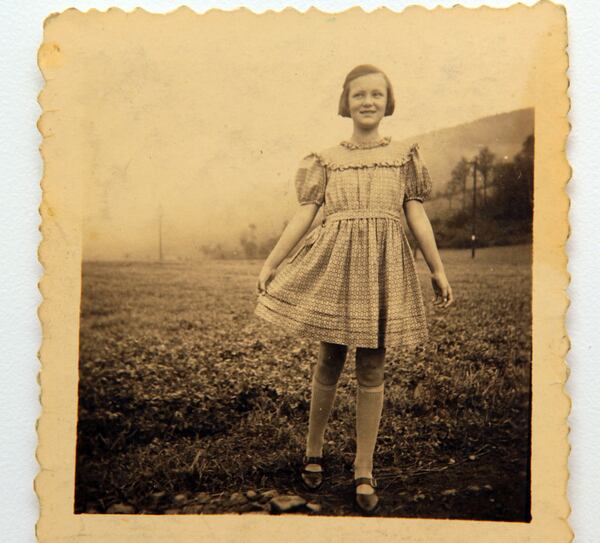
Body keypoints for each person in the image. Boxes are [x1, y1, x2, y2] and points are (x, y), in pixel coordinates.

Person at [254, 64, 454, 515]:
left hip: (384, 268)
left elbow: (416, 215)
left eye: (377, 95)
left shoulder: (404, 157)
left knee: (372, 364)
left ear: (388, 102)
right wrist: (272, 261)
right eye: (359, 94)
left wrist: (437, 270)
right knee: (330, 356)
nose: (368, 101)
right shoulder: (325, 160)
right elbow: (304, 214)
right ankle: (314, 449)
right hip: (336, 267)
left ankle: (364, 467)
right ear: (345, 102)